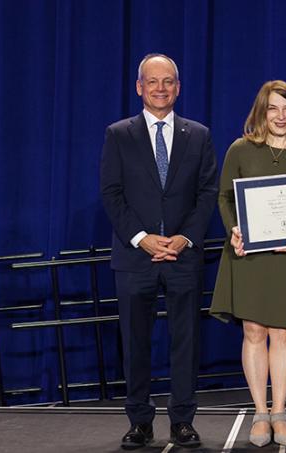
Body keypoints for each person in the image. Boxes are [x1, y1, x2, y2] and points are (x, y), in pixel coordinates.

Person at [100, 53, 218, 449]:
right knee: (135, 343)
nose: (160, 88)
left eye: (168, 81)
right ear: (139, 87)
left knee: (185, 342)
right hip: (136, 258)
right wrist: (142, 238)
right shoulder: (118, 134)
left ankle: (183, 420)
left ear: (178, 88)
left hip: (183, 256)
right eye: (153, 81)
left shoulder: (198, 135)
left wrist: (184, 238)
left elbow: (207, 194)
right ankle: (140, 421)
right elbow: (111, 194)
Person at [209, 80, 286, 448]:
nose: (280, 116)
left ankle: (280, 411)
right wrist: (234, 231)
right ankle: (260, 413)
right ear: (261, 112)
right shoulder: (240, 150)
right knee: (254, 333)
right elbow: (225, 197)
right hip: (249, 257)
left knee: (283, 334)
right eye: (273, 108)